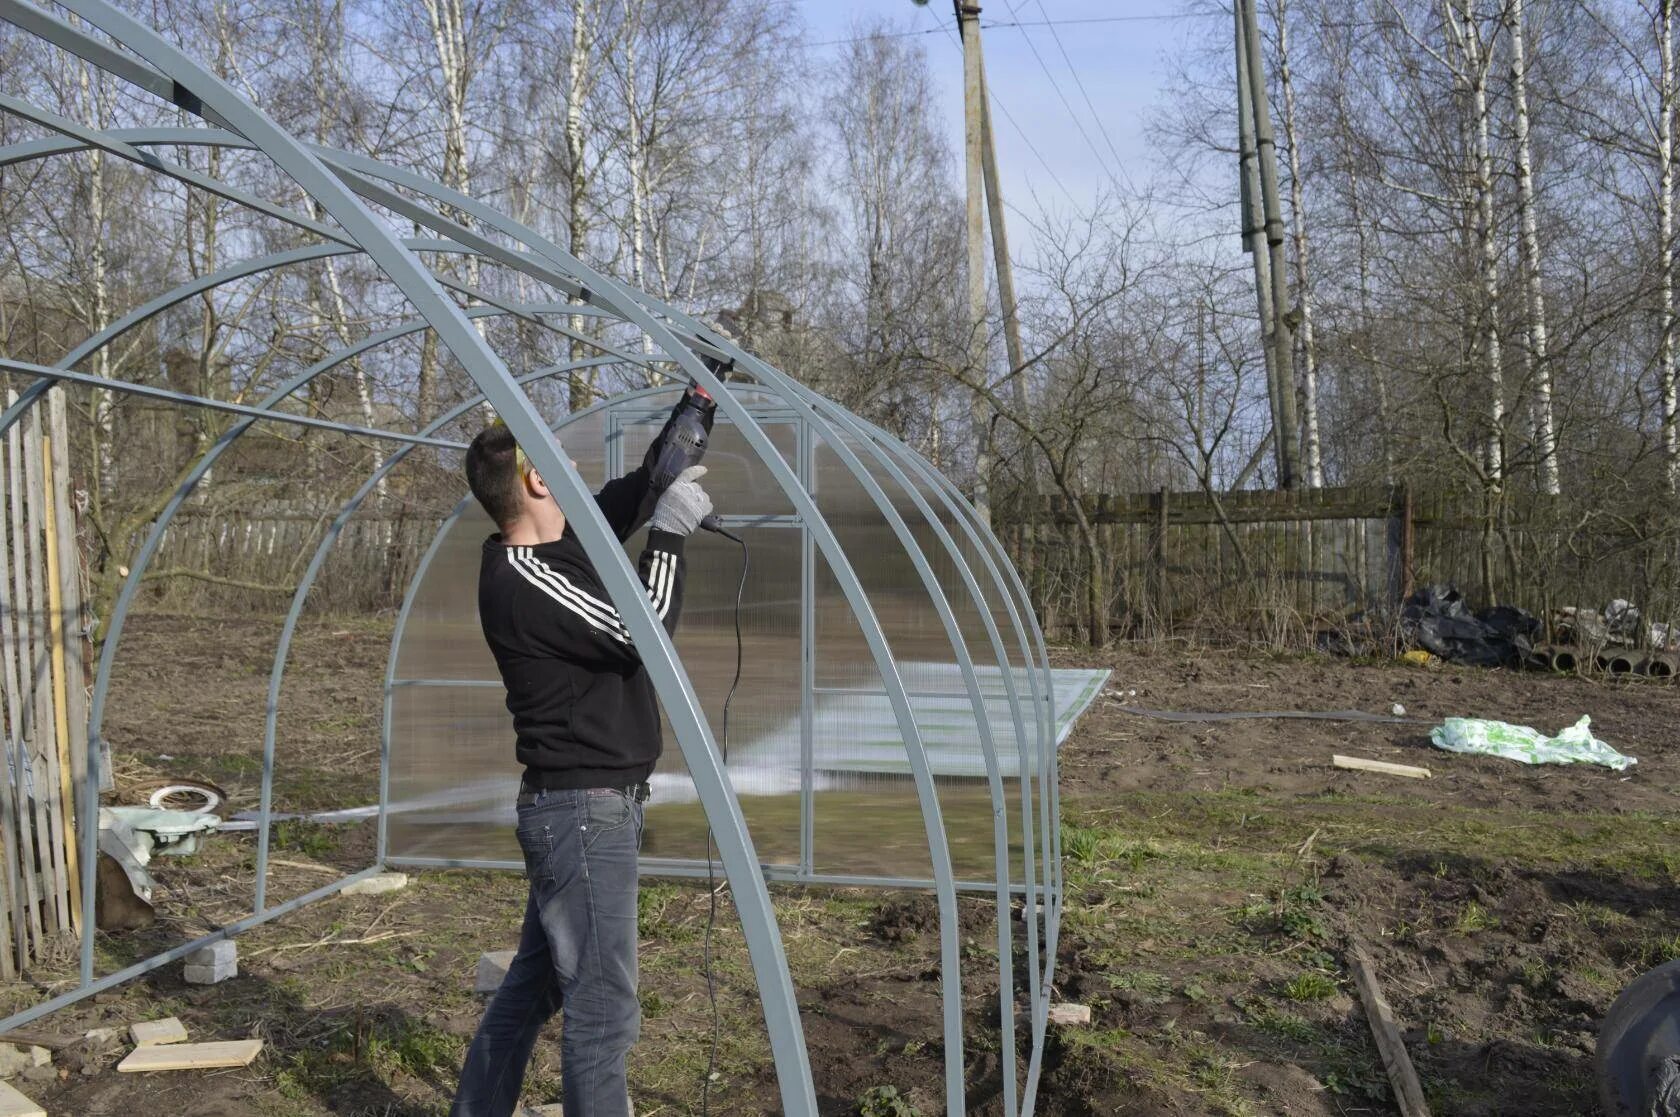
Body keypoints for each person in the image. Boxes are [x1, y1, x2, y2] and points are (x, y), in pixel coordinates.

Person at [451, 406, 712, 1117]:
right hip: (583, 816)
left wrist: (699, 403)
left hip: (580, 810)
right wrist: (668, 536)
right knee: (603, 1011)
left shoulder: (556, 546)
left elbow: (641, 487)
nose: (574, 474)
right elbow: (641, 634)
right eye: (559, 464)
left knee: (535, 987)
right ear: (536, 480)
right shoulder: (526, 578)